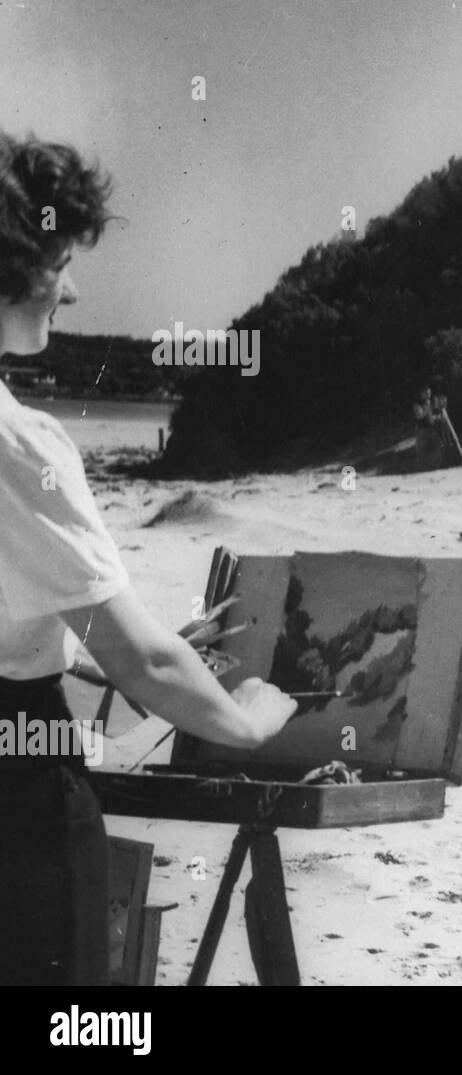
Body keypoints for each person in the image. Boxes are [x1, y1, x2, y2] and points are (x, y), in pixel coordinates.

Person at [0, 131, 298, 985]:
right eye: (58, 259)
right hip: (20, 820)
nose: (74, 284)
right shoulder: (21, 446)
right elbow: (142, 655)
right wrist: (248, 718)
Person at [412, 385, 447, 471]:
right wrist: (427, 411)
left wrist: (439, 416)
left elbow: (432, 417)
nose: (428, 395)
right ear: (422, 394)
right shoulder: (418, 403)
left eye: (429, 393)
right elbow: (419, 416)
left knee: (436, 448)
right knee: (422, 452)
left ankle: (435, 467)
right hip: (421, 431)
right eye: (426, 393)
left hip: (432, 430)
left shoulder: (431, 403)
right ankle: (421, 469)